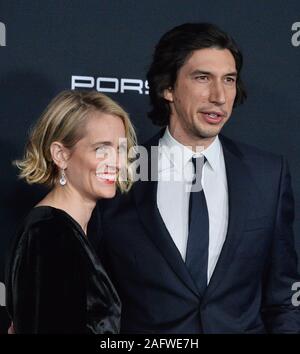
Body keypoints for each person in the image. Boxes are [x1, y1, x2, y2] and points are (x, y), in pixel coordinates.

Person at [98, 23, 300, 333]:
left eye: (229, 80)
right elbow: (95, 302)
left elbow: (283, 299)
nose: (219, 96)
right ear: (168, 87)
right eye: (202, 78)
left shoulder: (268, 176)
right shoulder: (120, 173)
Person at [5, 90, 137, 333]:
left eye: (120, 149)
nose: (117, 162)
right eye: (101, 149)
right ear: (61, 155)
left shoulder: (76, 229)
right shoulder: (49, 234)